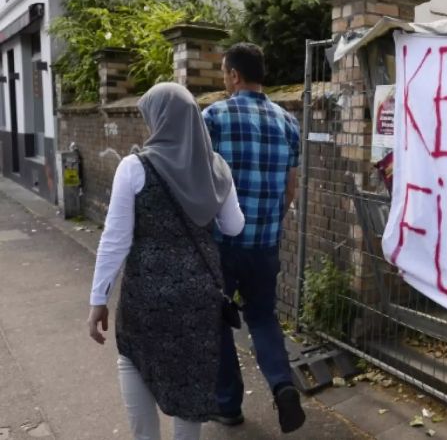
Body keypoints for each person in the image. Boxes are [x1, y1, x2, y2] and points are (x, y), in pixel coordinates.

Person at [86, 82, 245, 440]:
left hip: (146, 292)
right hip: (199, 296)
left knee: (134, 359)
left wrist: (98, 299)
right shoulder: (217, 167)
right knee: (191, 378)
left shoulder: (134, 167)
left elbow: (115, 240)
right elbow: (234, 227)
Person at [202, 42, 305, 433]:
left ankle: (228, 404)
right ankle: (282, 386)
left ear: (233, 75)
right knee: (262, 317)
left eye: (225, 74)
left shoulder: (212, 117)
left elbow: (200, 183)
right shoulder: (287, 122)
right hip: (265, 244)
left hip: (222, 244)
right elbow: (290, 189)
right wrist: (271, 222)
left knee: (218, 319)